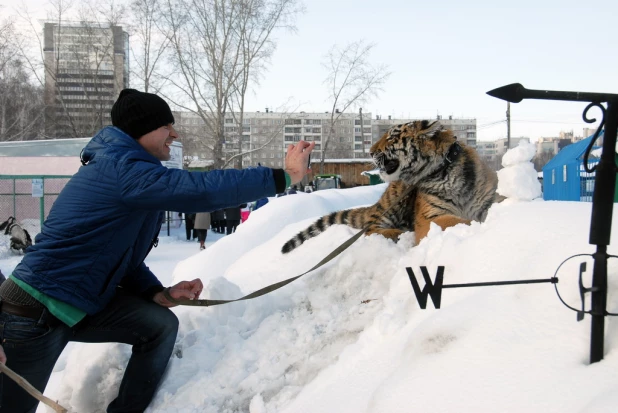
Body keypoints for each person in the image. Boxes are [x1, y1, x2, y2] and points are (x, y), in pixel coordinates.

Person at [0, 88, 314, 412]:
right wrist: (284, 176)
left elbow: (119, 255)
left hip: (80, 304)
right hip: (34, 312)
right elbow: (200, 191)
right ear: (142, 129)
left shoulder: (135, 176)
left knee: (159, 325)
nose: (174, 134)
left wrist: (156, 292)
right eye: (166, 126)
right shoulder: (123, 170)